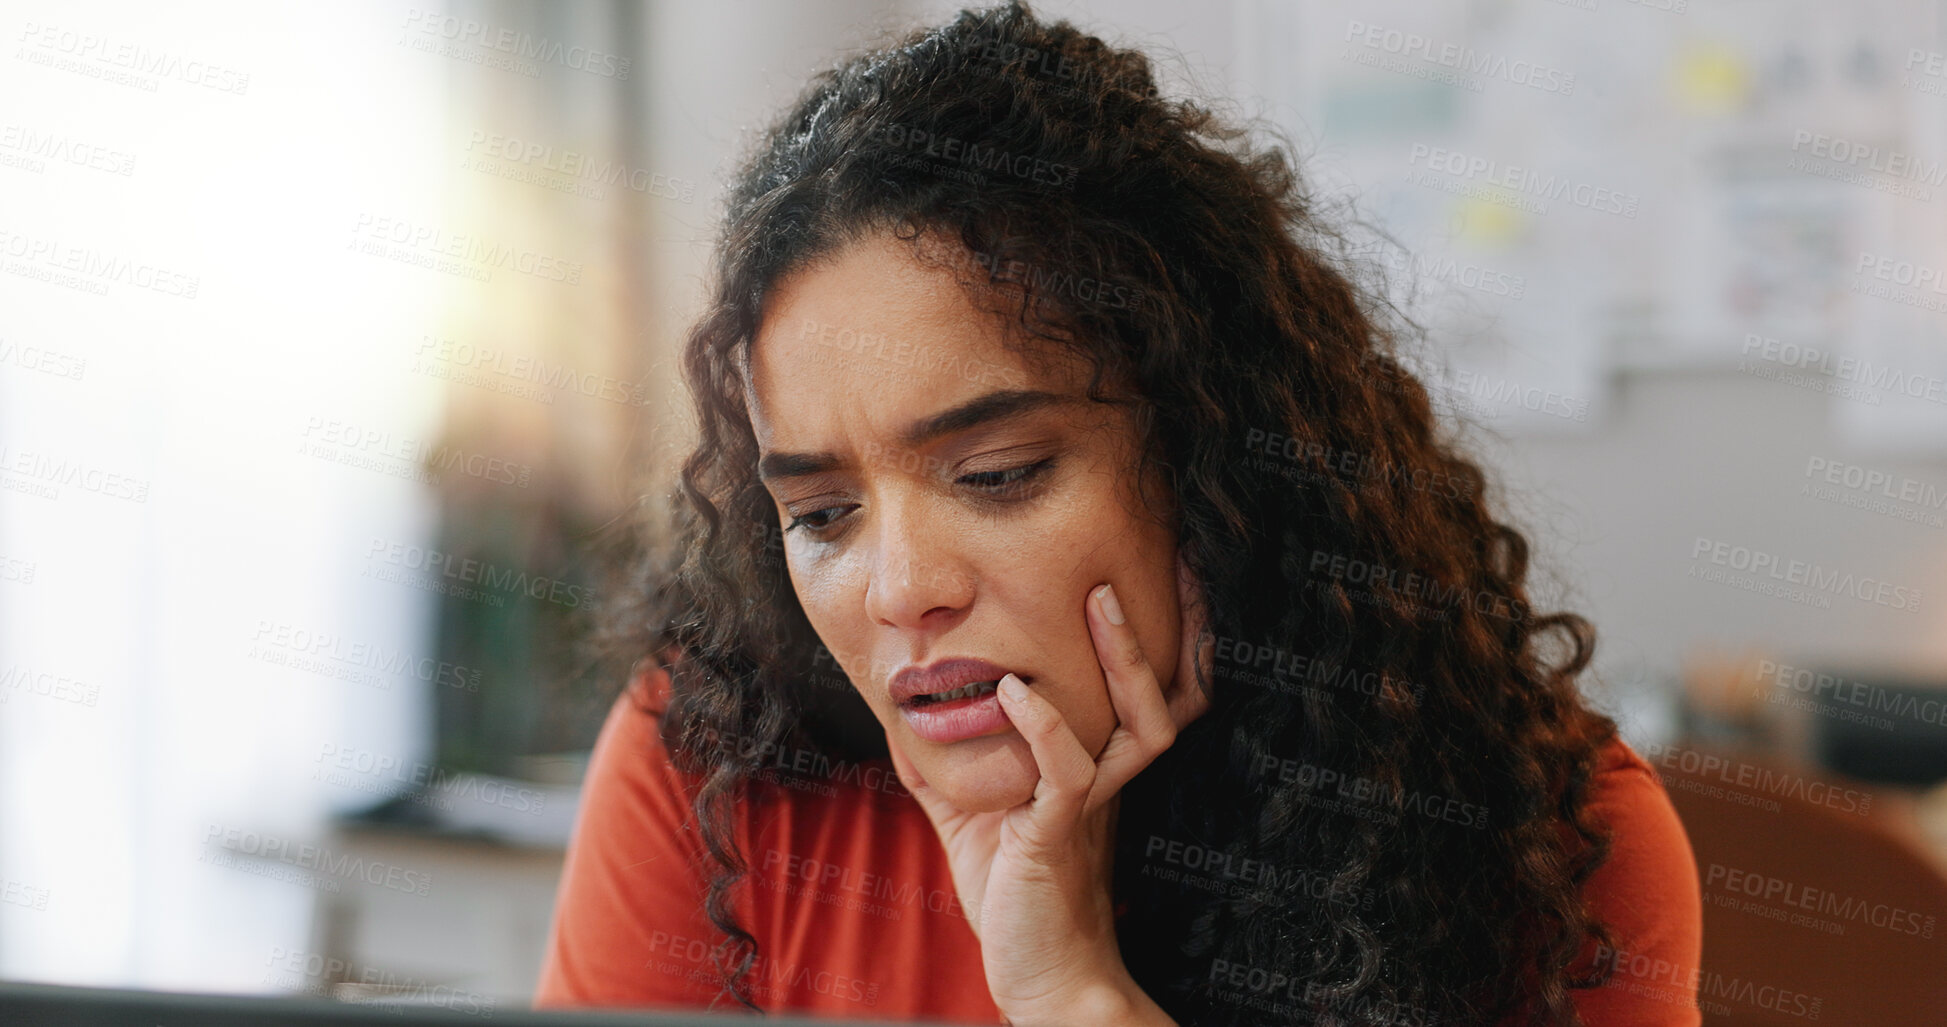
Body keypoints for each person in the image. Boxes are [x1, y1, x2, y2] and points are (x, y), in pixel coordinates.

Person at [534, 2, 1703, 1024]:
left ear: (1212, 469)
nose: (900, 590)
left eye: (995, 476)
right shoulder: (708, 767)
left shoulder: (1543, 841)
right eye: (825, 514)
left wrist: (1073, 995)